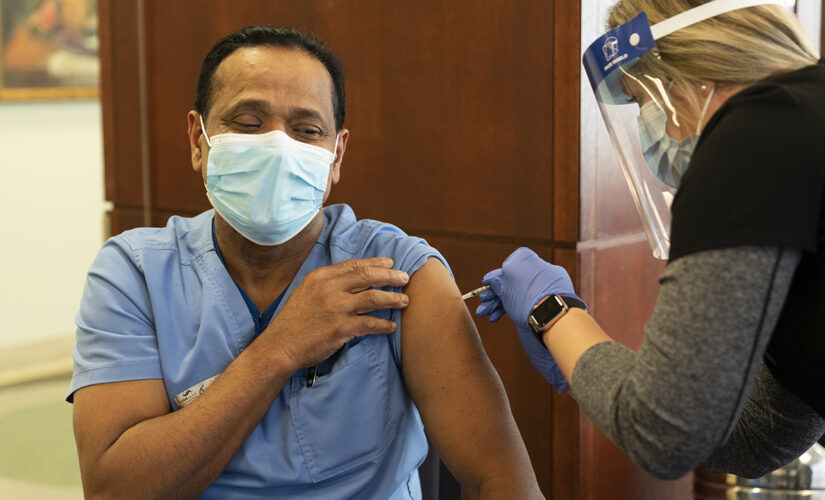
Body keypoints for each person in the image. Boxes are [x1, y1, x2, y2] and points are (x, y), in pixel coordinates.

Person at [68, 25, 543, 499]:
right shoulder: (135, 273)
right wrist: (280, 349)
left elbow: (502, 479)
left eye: (306, 130)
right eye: (248, 123)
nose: (278, 147)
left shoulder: (399, 271)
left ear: (336, 155)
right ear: (198, 139)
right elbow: (115, 488)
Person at [476, 0, 825, 481]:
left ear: (689, 71)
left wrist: (552, 312)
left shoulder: (748, 145)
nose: (656, 131)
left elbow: (665, 435)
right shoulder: (801, 121)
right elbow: (761, 432)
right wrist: (580, 368)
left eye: (642, 102)